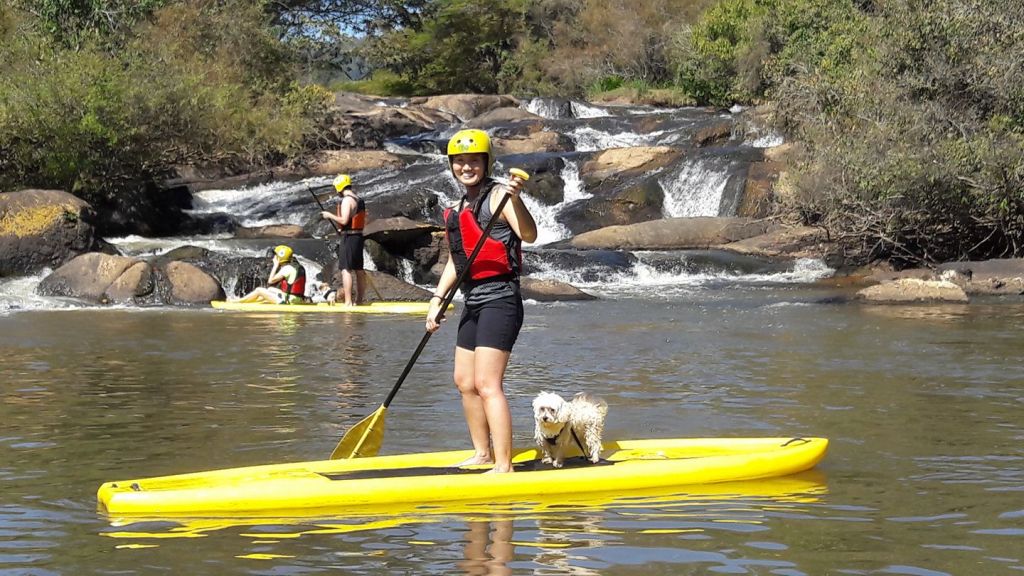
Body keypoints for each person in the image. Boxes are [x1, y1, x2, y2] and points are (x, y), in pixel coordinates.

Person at [425, 129, 537, 474]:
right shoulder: (456, 209)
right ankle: (482, 453)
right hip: (472, 300)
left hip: (501, 299)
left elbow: (529, 235)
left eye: (473, 161)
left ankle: (504, 464)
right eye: (460, 162)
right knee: (464, 381)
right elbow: (457, 261)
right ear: (452, 166)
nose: (466, 167)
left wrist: (515, 198)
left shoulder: (500, 196)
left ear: (486, 163)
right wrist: (437, 299)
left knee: (488, 384)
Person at [320, 174, 367, 306]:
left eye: (336, 188)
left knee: (346, 269)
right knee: (359, 269)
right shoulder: (358, 199)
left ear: (340, 187)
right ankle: (359, 301)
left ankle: (348, 302)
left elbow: (344, 220)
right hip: (358, 236)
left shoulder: (347, 200)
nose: (336, 191)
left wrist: (329, 215)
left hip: (350, 238)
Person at [234, 245, 308, 304]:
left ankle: (238, 302)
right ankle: (249, 301)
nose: (274, 257)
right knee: (270, 289)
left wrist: (276, 265)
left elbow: (270, 281)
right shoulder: (298, 267)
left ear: (280, 257)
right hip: (298, 299)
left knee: (259, 290)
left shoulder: (287, 268)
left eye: (276, 255)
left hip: (289, 301)